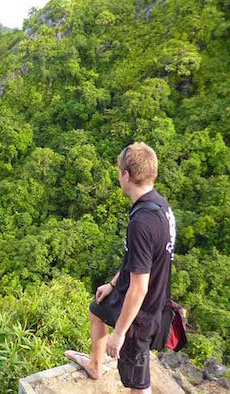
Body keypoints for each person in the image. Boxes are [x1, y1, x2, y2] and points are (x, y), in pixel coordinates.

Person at [64, 142, 176, 393]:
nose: (118, 177)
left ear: (126, 175)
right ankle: (95, 365)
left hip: (141, 313)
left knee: (137, 382)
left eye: (118, 172)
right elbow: (136, 261)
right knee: (97, 309)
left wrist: (120, 333)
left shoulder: (142, 222)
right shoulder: (160, 206)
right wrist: (113, 284)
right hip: (131, 296)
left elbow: (139, 288)